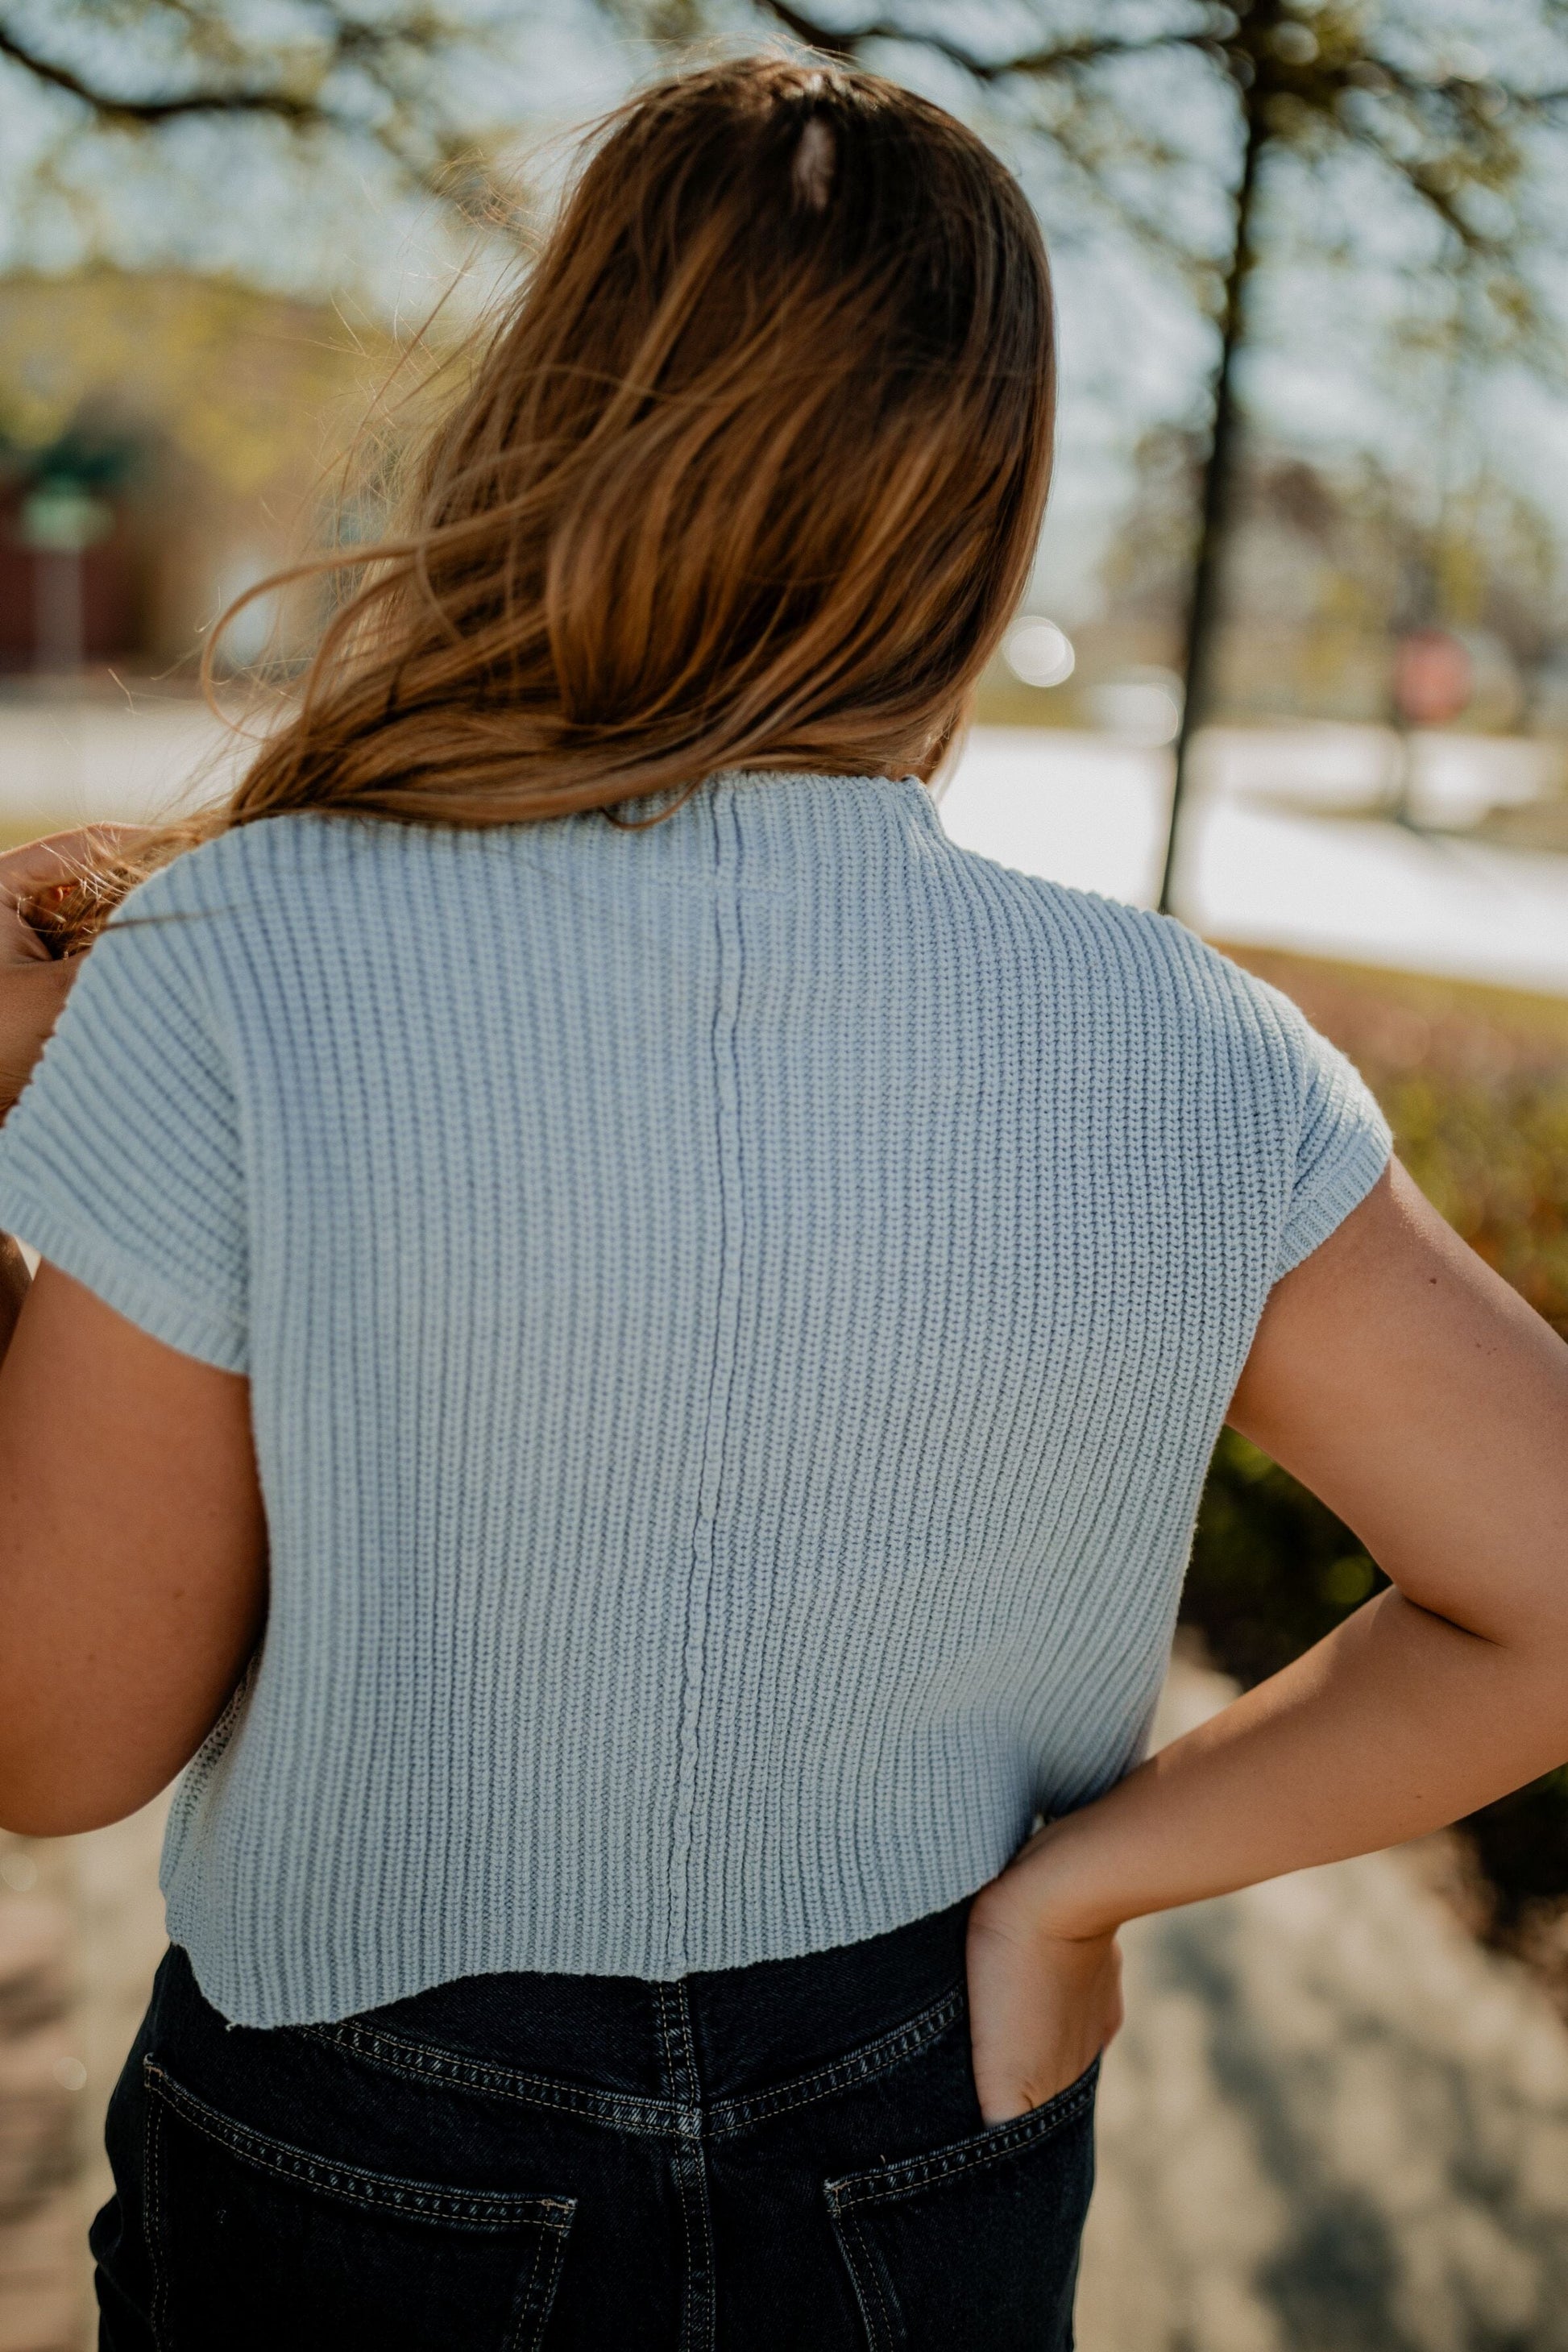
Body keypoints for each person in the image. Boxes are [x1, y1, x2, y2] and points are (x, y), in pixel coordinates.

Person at [0, 55, 1564, 2352]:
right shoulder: (1188, 1051)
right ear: (989, 515)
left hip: (356, 2160)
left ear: (545, 423)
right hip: (929, 2111)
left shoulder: (236, 968)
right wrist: (1082, 1896)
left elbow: (54, 1745)